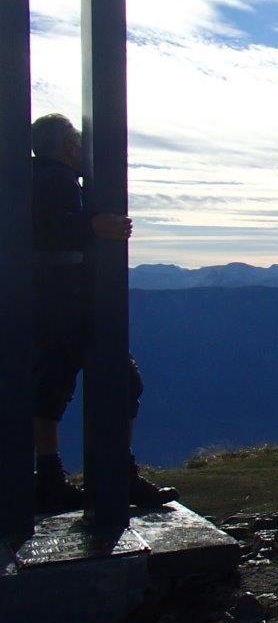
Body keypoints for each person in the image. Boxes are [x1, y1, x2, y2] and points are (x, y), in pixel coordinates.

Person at [30, 113, 176, 513]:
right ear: (69, 147)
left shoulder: (34, 178)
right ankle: (117, 474)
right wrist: (95, 227)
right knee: (122, 382)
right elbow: (45, 231)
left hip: (48, 306)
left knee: (48, 390)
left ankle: (49, 478)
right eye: (79, 141)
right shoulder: (53, 180)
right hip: (68, 306)